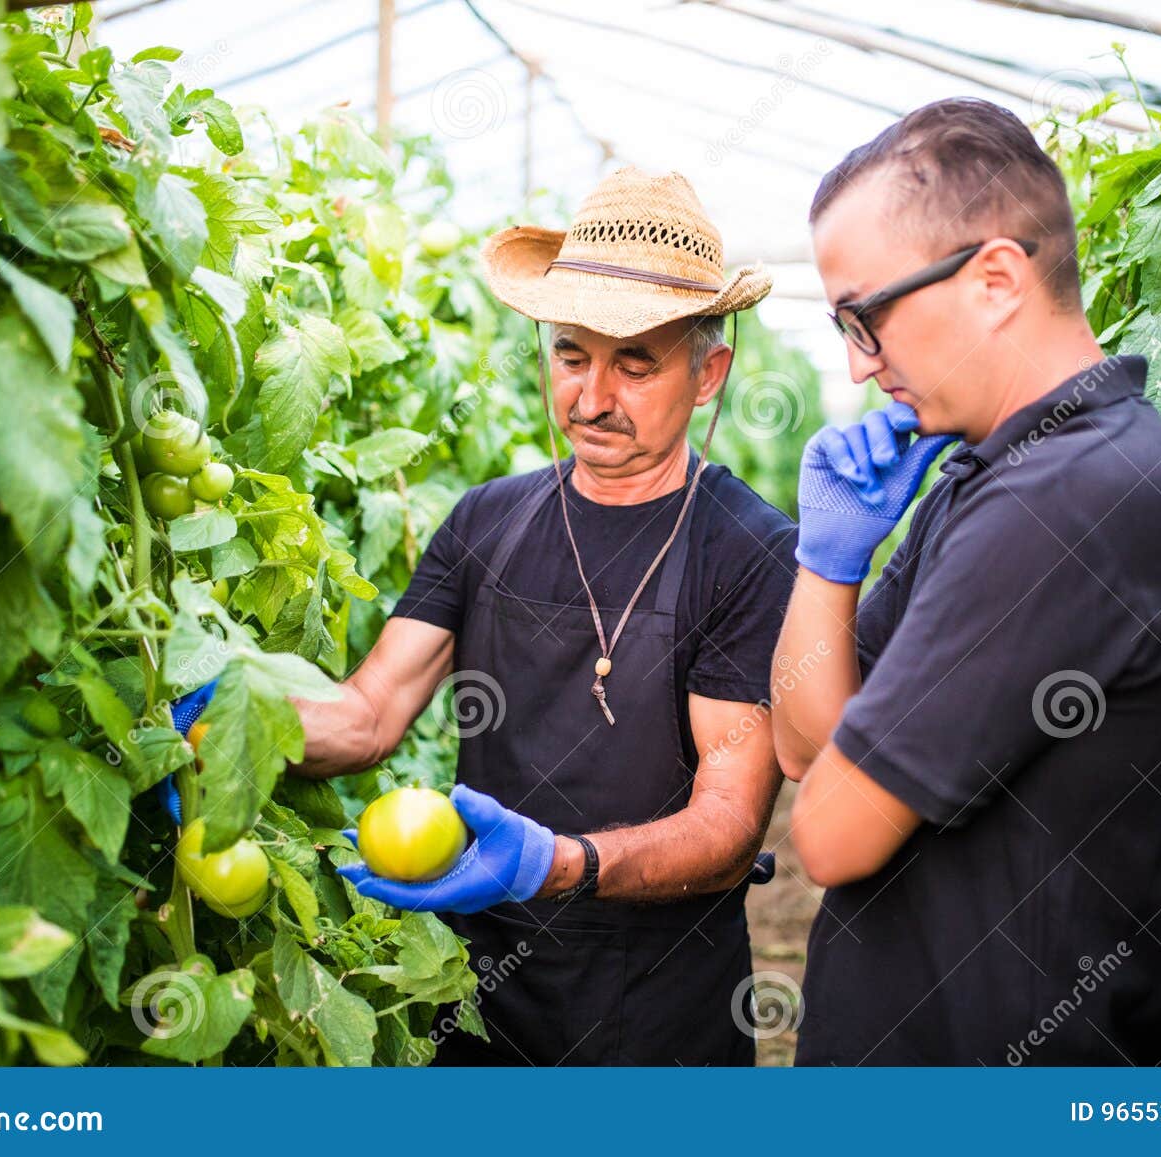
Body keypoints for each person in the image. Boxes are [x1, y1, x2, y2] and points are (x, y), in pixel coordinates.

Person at [291, 167, 797, 1065]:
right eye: (571, 355)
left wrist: (556, 862)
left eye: (634, 364)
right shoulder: (488, 520)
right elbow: (368, 715)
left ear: (708, 371)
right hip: (479, 994)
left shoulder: (747, 549)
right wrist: (233, 728)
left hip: (658, 1011)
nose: (593, 398)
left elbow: (726, 831)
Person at [772, 98, 1161, 1065]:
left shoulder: (1075, 499)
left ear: (993, 279)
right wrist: (827, 562)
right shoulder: (990, 473)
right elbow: (803, 744)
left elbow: (830, 836)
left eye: (867, 318)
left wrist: (844, 768)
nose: (860, 367)